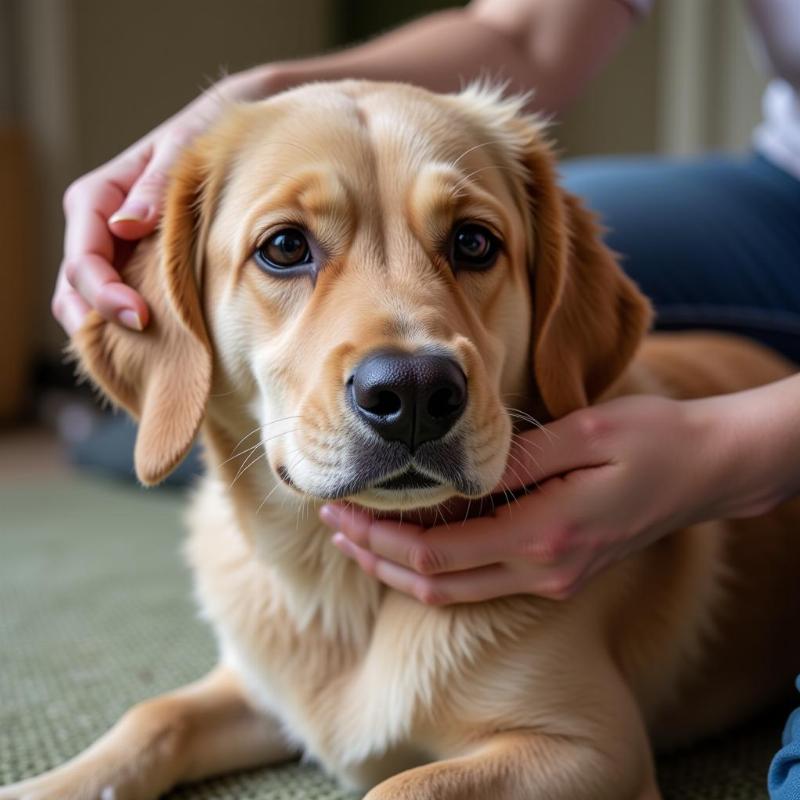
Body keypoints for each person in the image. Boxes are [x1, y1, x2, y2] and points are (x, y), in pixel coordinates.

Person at [54, 0, 800, 793]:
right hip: (779, 188)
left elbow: (596, 763)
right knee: (476, 183)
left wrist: (725, 453)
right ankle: (171, 408)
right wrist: (257, 93)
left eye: (469, 244)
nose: (406, 369)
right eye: (286, 247)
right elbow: (522, 32)